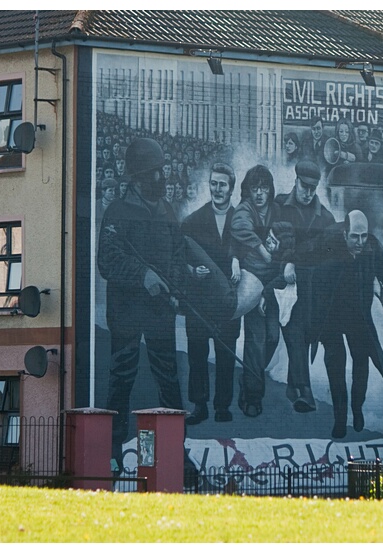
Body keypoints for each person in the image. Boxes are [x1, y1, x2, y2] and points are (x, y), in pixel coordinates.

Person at [97, 137, 186, 474]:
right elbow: (108, 260)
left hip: (160, 310)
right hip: (127, 312)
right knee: (122, 377)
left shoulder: (166, 210)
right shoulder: (117, 213)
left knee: (169, 378)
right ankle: (113, 450)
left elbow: (176, 254)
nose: (162, 178)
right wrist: (143, 275)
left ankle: (178, 448)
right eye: (155, 173)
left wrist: (175, 286)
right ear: (137, 177)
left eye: (162, 172)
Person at [308, 210, 383, 439]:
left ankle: (357, 408)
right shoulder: (328, 242)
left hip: (358, 314)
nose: (360, 242)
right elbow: (310, 273)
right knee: (336, 365)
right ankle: (340, 419)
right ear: (344, 232)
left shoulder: (372, 246)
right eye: (354, 237)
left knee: (362, 361)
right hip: (331, 315)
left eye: (363, 236)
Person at [274, 160, 336, 413]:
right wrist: (284, 266)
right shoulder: (278, 206)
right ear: (295, 180)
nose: (308, 192)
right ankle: (305, 391)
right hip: (284, 284)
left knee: (302, 335)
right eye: (304, 186)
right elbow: (270, 242)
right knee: (295, 334)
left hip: (312, 289)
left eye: (313, 188)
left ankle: (292, 385)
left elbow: (333, 256)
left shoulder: (326, 218)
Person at [182, 163, 241, 425]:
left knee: (226, 354)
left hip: (229, 302)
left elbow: (254, 259)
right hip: (198, 300)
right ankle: (199, 405)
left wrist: (239, 260)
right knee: (197, 354)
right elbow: (177, 260)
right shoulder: (192, 221)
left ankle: (222, 406)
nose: (217, 189)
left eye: (222, 184)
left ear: (232, 188)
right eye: (213, 183)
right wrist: (193, 271)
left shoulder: (242, 222)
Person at [230, 165, 282, 418]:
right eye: (255, 188)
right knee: (256, 341)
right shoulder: (245, 209)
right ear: (248, 190)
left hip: (273, 284)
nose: (260, 193)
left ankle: (251, 375)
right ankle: (252, 396)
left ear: (271, 189)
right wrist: (261, 248)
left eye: (264, 187)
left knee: (272, 338)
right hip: (251, 281)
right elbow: (239, 226)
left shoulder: (277, 211)